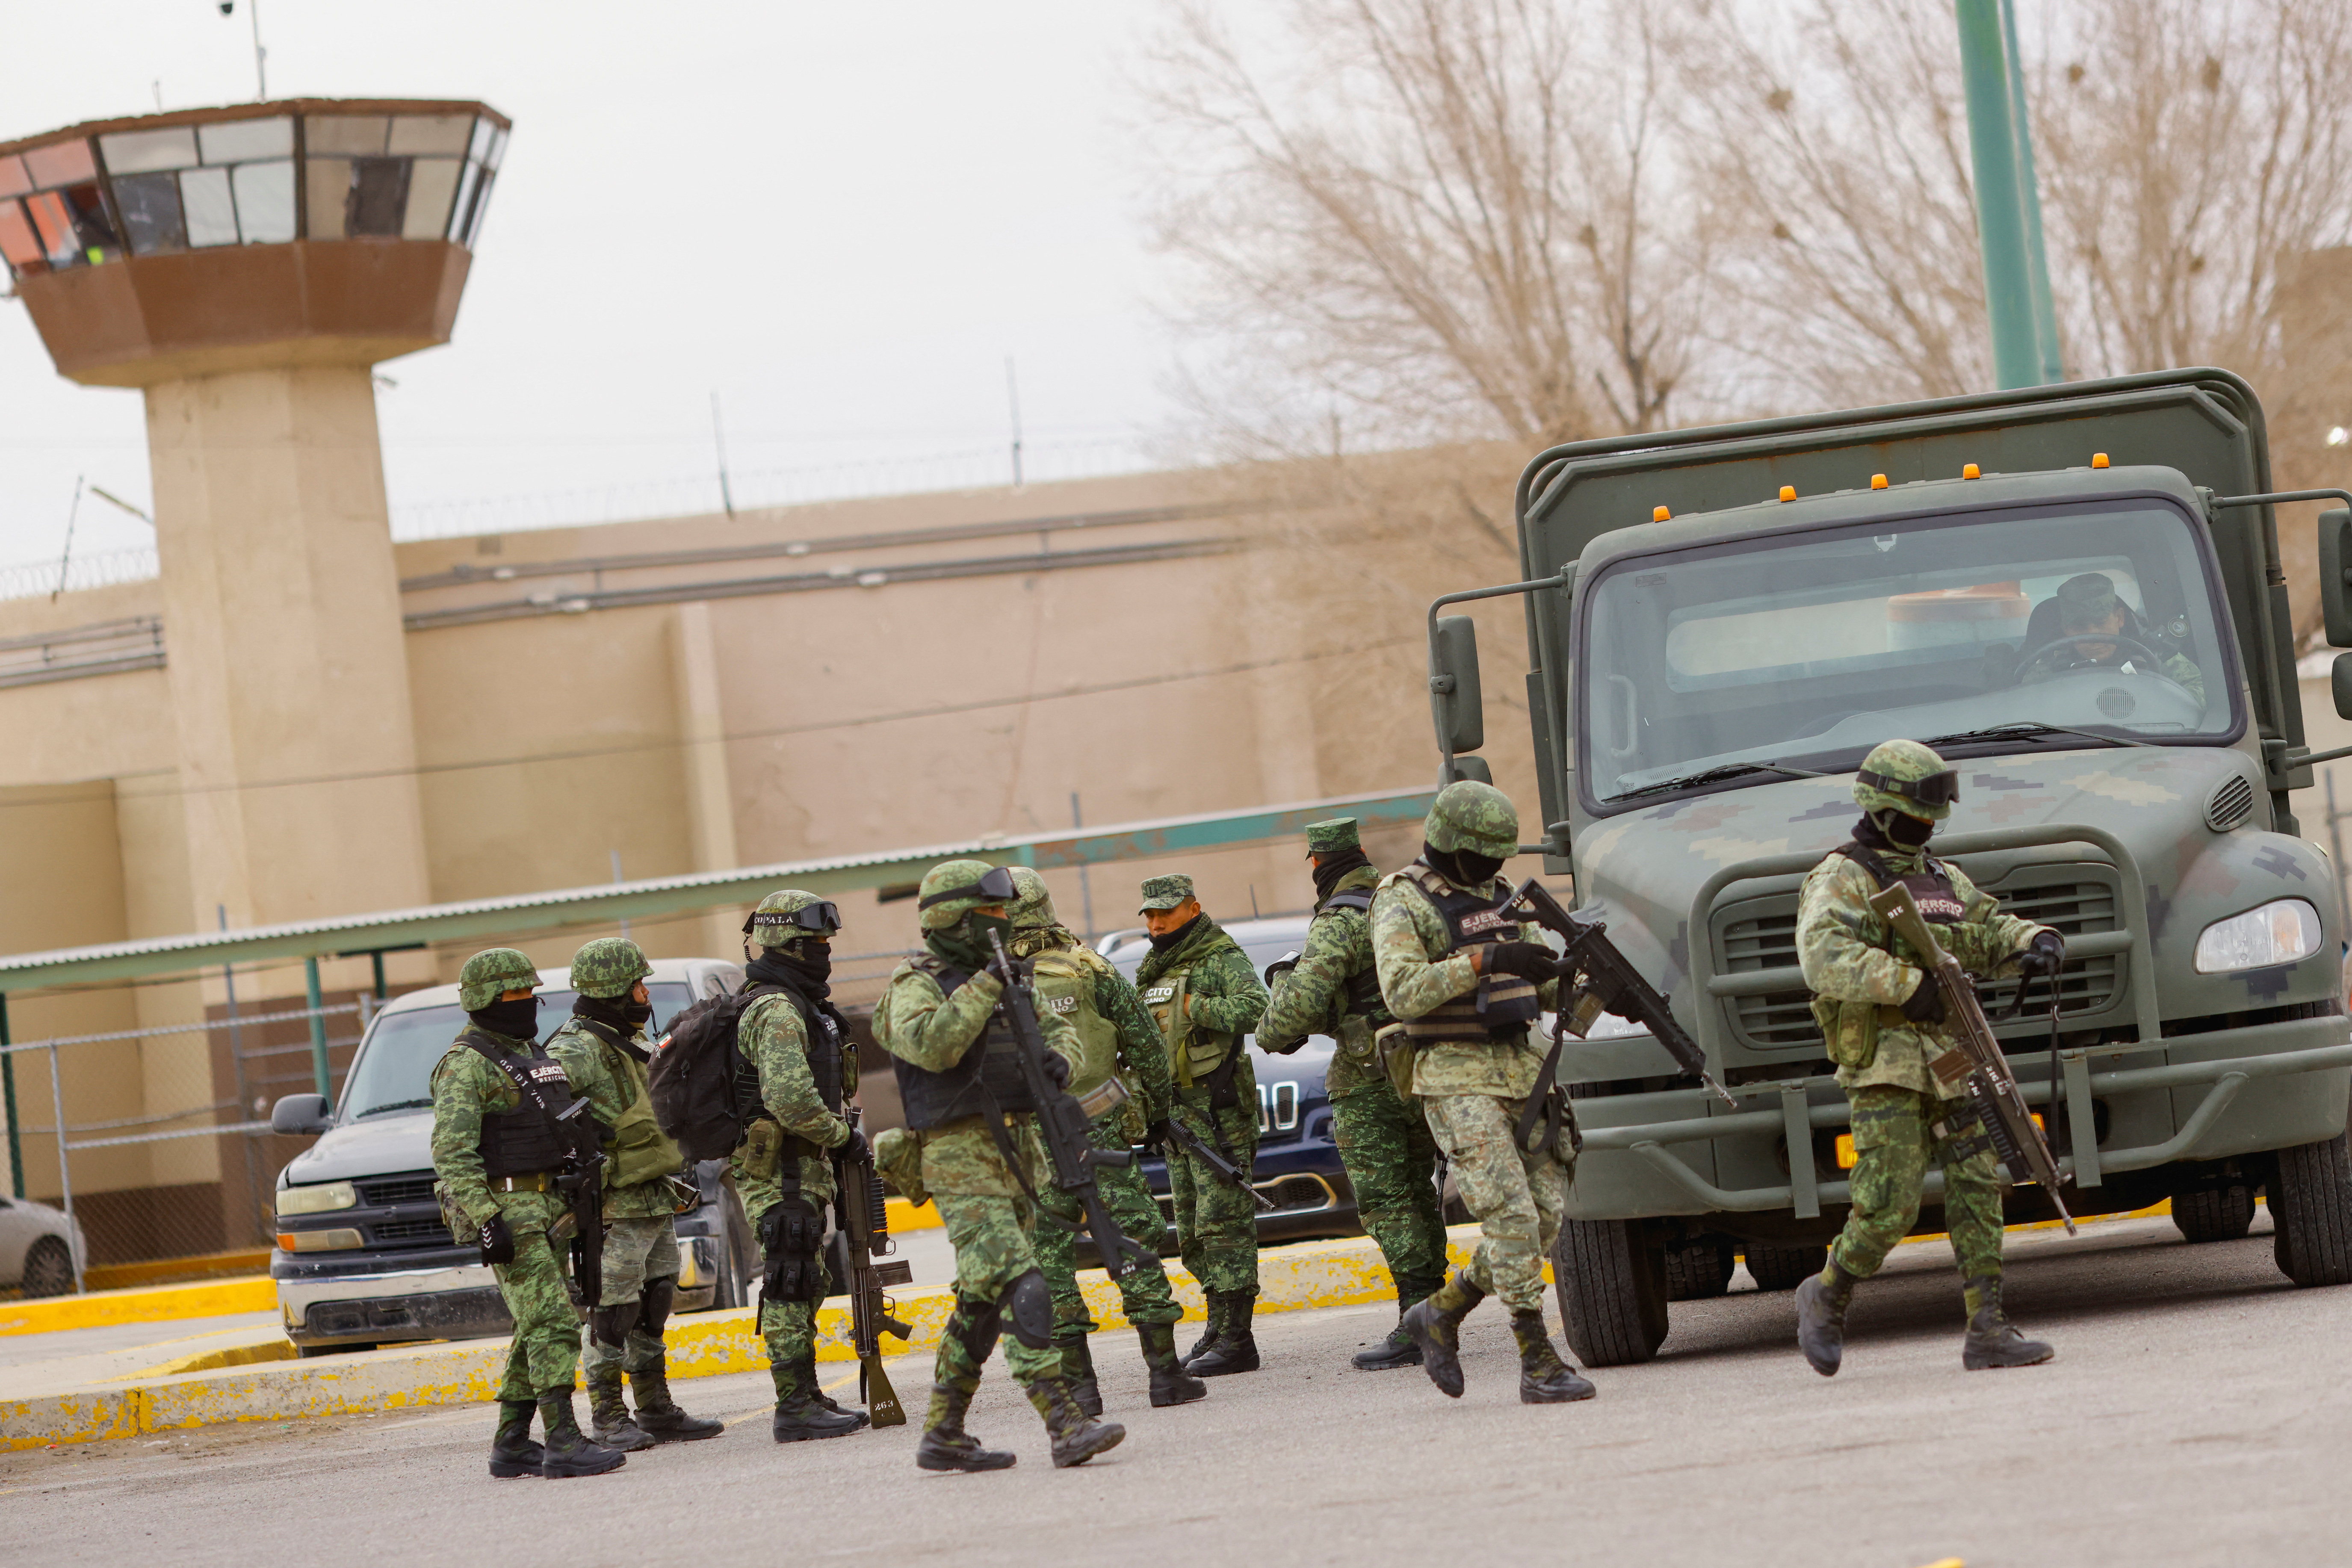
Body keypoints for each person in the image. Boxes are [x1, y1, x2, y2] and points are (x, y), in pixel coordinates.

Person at [1792, 738, 2066, 1376]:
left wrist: (2036, 940)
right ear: (1882, 809)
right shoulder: (1844, 875)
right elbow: (1822, 954)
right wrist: (1905, 984)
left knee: (1978, 1184)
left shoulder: (1938, 875)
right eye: (1919, 814)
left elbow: (1986, 925)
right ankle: (1827, 1292)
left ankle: (1989, 1326)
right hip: (1885, 1062)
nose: (1928, 825)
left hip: (1951, 1059)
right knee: (1889, 1201)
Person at [873, 858, 1126, 1471]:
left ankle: (943, 1433)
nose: (999, 921)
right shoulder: (915, 983)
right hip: (957, 1155)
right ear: (952, 917)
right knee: (1022, 1280)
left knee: (981, 1298)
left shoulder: (1011, 974)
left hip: (1018, 1149)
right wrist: (987, 983)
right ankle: (1065, 1423)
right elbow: (933, 1045)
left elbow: (1057, 1028)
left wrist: (1061, 1059)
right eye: (987, 911)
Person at [1372, 782, 1594, 1405]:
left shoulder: (1508, 898)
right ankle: (1538, 1359)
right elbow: (1403, 991)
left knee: (1545, 1218)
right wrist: (1483, 959)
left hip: (1521, 1075)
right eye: (1483, 855)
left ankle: (1441, 1310)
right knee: (1512, 1217)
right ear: (1451, 844)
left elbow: (1546, 992)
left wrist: (1583, 978)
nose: (1494, 868)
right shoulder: (1403, 901)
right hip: (1453, 1076)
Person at [1007, 867, 1208, 1414]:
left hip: (1027, 1143)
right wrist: (1156, 1115)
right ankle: (1165, 1376)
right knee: (1134, 1245)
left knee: (1047, 1258)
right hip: (1098, 1129)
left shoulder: (987, 981)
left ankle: (1081, 1390)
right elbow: (1145, 1044)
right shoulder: (1089, 966)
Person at [429, 947, 625, 1479]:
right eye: (514, 996)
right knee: (554, 1322)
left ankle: (513, 1442)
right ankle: (562, 1439)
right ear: (485, 1001)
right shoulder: (466, 1065)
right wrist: (486, 1217)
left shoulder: (532, 1054)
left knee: (534, 1326)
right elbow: (452, 1153)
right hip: (509, 1208)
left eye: (530, 995)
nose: (526, 1005)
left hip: (550, 1204)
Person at [1258, 817, 1445, 1370]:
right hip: (1423, 1067)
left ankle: (1419, 1321)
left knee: (1389, 1200)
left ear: (1317, 862)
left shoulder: (1339, 919)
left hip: (1370, 1079)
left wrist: (1277, 1014)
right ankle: (1435, 1309)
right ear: (1360, 852)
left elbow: (1290, 1015)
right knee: (1420, 1189)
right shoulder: (1401, 900)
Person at [545, 937, 723, 1450]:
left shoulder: (630, 1039)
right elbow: (552, 1119)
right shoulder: (574, 1048)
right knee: (612, 1309)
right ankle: (607, 1415)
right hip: (614, 1205)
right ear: (611, 991)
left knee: (656, 1297)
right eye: (636, 986)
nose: (645, 995)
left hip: (652, 1195)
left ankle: (655, 1407)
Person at [727, 889, 873, 1441]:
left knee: (808, 1277)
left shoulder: (799, 1002)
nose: (826, 953)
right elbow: (789, 1098)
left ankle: (806, 1392)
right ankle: (793, 1405)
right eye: (816, 943)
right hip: (781, 1166)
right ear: (789, 945)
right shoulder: (777, 1008)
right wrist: (842, 1137)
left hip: (801, 1164)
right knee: (790, 1278)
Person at [1132, 873, 1270, 1376]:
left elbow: (1258, 1008)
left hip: (1217, 1115)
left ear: (1193, 908)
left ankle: (1238, 1338)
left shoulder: (1219, 956)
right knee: (1193, 1231)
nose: (1155, 921)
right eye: (1148, 913)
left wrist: (1197, 1007)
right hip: (1176, 1118)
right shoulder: (1155, 966)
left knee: (1225, 1226)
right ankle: (1217, 1328)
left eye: (1165, 911)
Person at [2020, 571, 2204, 706]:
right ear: (2066, 630)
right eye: (2080, 627)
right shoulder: (2045, 674)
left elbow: (2201, 696)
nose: (2093, 636)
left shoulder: (2155, 659)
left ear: (2120, 618)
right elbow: (2026, 713)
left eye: (2101, 623)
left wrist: (2154, 700)